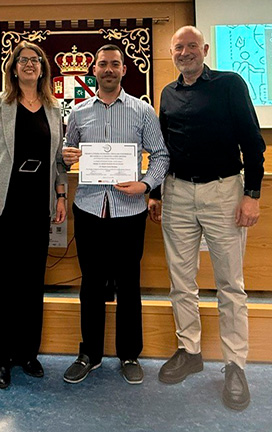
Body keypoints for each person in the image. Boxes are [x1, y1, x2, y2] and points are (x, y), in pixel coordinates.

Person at [148, 26, 266, 411]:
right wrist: (155, 192)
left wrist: (252, 195)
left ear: (205, 49)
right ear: (171, 52)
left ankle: (235, 364)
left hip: (223, 192)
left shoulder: (230, 84)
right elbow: (163, 149)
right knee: (181, 281)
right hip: (178, 193)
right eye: (178, 47)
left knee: (230, 283)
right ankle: (190, 350)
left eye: (191, 46)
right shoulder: (167, 93)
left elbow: (253, 141)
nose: (185, 52)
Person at [61, 44, 169, 385]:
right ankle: (89, 354)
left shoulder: (142, 112)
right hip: (90, 209)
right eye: (103, 64)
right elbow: (64, 157)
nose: (109, 69)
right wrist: (64, 158)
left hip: (129, 210)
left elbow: (162, 156)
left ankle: (129, 354)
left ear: (125, 70)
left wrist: (146, 185)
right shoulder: (78, 113)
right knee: (91, 285)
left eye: (115, 64)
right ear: (95, 69)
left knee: (128, 284)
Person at [0, 41, 68, 389]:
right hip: (2, 204)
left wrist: (60, 196)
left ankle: (27, 353)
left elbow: (59, 160)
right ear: (13, 68)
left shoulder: (55, 109)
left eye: (36, 60)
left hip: (36, 207)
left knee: (30, 283)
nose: (30, 65)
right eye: (23, 60)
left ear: (44, 69)